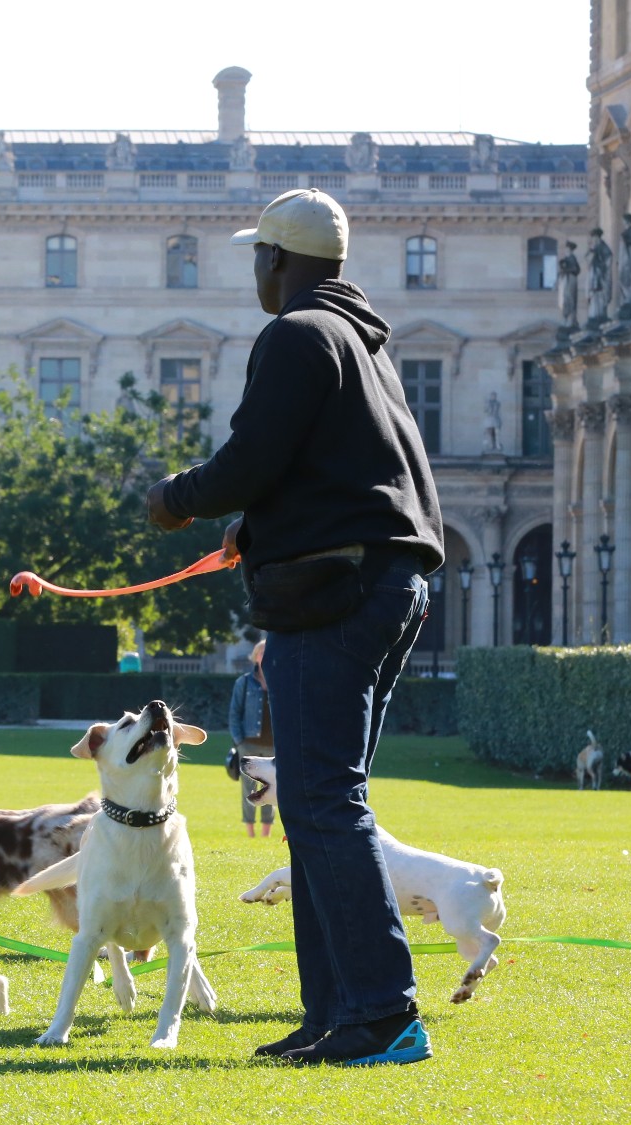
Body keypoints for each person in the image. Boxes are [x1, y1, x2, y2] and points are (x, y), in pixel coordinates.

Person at [147, 188, 443, 1067]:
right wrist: (262, 528)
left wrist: (179, 499)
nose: (254, 271)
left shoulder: (297, 334)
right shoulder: (363, 343)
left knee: (318, 799)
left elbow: (251, 459)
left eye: (256, 256)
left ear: (277, 259)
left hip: (336, 593)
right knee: (321, 801)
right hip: (388, 582)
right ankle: (336, 1014)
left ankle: (383, 1013)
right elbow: (334, 475)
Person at [227, 639, 274, 838]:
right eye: (261, 652)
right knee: (248, 788)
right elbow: (234, 713)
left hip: (273, 745)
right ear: (255, 657)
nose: (264, 656)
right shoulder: (244, 682)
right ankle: (250, 831)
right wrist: (239, 742)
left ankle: (266, 832)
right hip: (248, 744)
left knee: (270, 789)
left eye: (267, 652)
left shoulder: (280, 681)